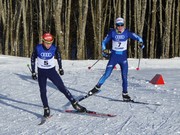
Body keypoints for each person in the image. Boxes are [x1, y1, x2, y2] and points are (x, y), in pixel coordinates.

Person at [87, 17, 144, 101]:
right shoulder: (112, 33)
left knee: (124, 76)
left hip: (123, 58)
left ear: (124, 25)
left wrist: (141, 44)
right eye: (118, 25)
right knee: (106, 74)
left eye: (122, 25)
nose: (120, 27)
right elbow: (104, 42)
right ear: (116, 25)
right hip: (113, 57)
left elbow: (139, 39)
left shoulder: (127, 33)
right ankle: (96, 88)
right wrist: (104, 51)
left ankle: (125, 94)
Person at [31, 33, 86, 117]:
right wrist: (33, 72)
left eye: (50, 43)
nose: (48, 45)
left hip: (51, 71)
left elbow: (59, 56)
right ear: (43, 41)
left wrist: (60, 68)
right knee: (43, 91)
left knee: (62, 88)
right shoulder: (38, 48)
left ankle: (74, 104)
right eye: (46, 43)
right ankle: (46, 109)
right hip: (41, 72)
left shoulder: (54, 48)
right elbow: (32, 58)